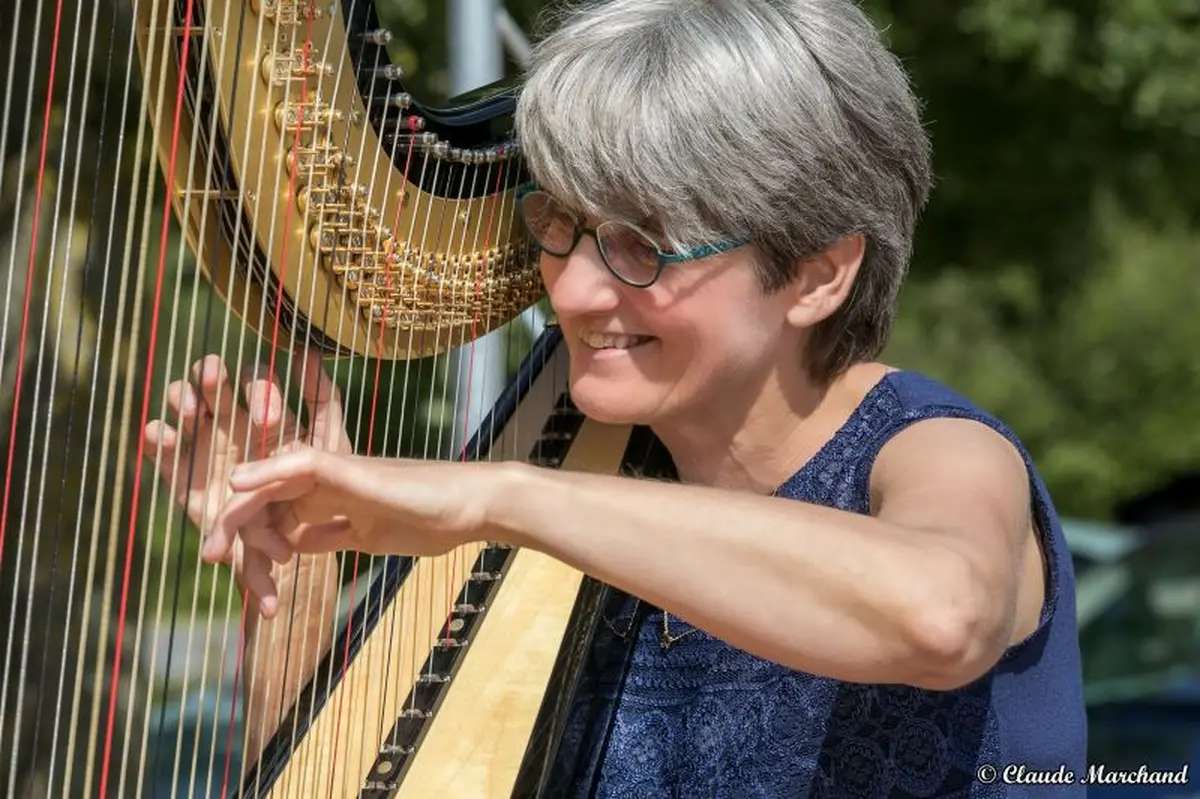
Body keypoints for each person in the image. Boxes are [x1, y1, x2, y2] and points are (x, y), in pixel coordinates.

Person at [144, 0, 1088, 795]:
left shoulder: (936, 451)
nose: (574, 290)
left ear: (816, 274)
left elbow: (942, 615)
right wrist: (302, 575)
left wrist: (502, 500)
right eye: (560, 226)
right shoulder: (585, 490)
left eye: (642, 242)